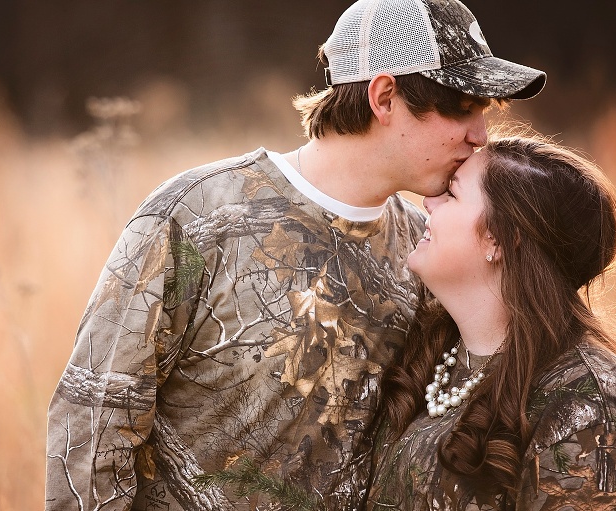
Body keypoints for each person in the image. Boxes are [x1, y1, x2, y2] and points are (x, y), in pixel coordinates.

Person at [45, 1, 545, 509]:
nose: (481, 135)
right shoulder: (195, 216)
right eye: (462, 107)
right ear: (385, 96)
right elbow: (93, 420)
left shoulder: (431, 253)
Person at [366, 134, 616, 510]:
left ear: (501, 239)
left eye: (452, 194)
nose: (428, 201)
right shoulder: (431, 349)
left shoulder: (591, 404)